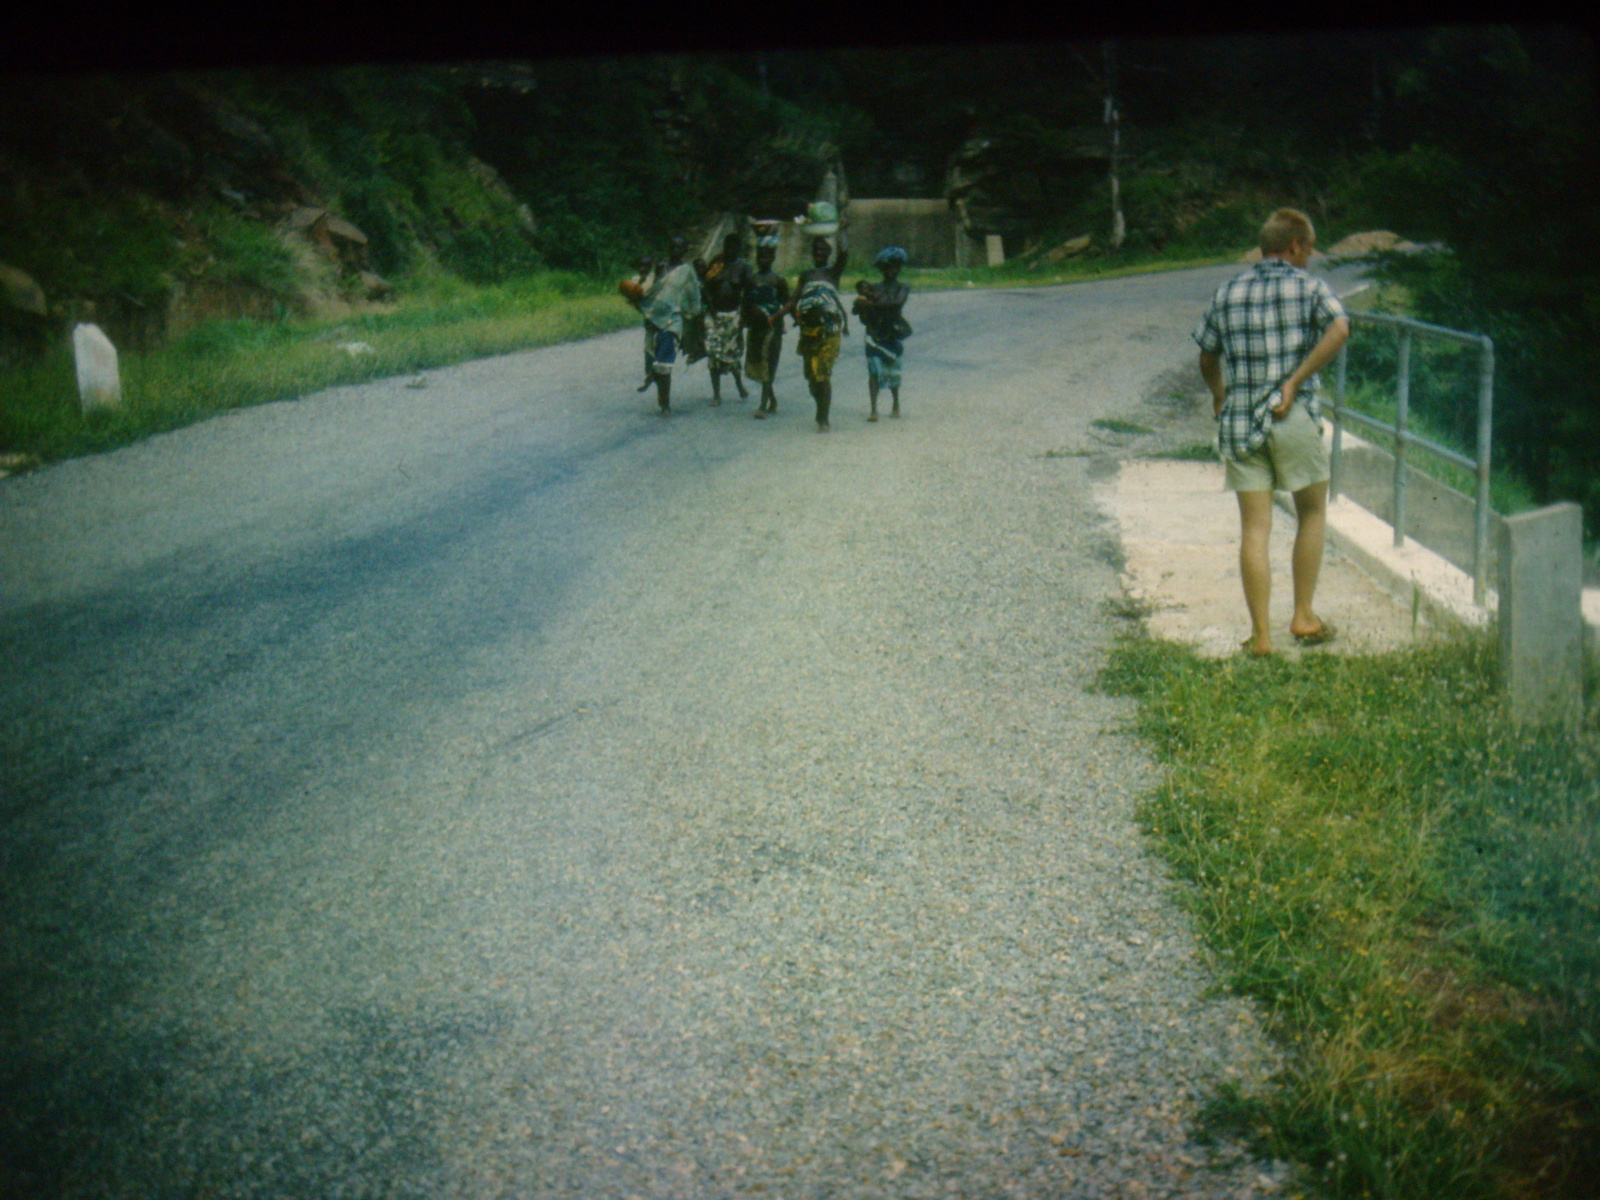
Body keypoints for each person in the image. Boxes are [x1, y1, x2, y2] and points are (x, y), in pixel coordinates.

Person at [1194, 207, 1351, 656]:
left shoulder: (1227, 292)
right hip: (1291, 413)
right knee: (1312, 513)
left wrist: (1220, 395)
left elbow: (1207, 357)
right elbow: (1340, 328)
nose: (1310, 258)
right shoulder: (1310, 287)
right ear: (1297, 246)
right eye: (1310, 250)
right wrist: (1295, 379)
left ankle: (1261, 637)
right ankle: (1303, 617)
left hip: (1242, 418)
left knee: (1255, 528)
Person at [782, 233, 849, 431]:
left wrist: (841, 231)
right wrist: (778, 315)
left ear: (829, 253)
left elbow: (844, 253)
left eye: (823, 250)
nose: (819, 253)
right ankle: (820, 406)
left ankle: (823, 417)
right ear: (812, 254)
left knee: (823, 375)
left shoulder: (833, 273)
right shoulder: (806, 275)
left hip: (828, 332)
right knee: (811, 379)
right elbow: (793, 300)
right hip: (808, 332)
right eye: (816, 250)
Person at [636, 235, 703, 417]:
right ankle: (658, 386)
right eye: (672, 246)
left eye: (679, 247)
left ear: (685, 250)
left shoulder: (687, 272)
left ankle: (665, 405)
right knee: (654, 362)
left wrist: (695, 323)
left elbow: (694, 299)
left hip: (672, 322)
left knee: (664, 363)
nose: (675, 249)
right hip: (654, 320)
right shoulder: (660, 267)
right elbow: (651, 289)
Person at [851, 246, 911, 421]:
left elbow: (897, 304)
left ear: (899, 268)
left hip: (891, 334)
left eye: (894, 266)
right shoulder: (874, 288)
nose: (890, 270)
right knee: (873, 371)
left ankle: (895, 403)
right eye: (886, 267)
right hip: (874, 333)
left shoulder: (902, 287)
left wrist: (870, 306)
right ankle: (874, 409)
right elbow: (859, 309)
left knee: (893, 370)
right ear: (881, 269)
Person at [696, 232, 753, 406]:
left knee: (732, 353)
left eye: (735, 246)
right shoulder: (716, 264)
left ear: (739, 248)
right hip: (714, 315)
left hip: (733, 315)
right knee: (713, 354)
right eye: (728, 246)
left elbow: (749, 293)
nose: (731, 250)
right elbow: (704, 286)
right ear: (725, 246)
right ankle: (716, 394)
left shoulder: (744, 268)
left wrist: (744, 317)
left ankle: (739, 384)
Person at [743, 234, 790, 419]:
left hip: (773, 328)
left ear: (772, 258)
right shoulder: (752, 280)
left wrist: (779, 315)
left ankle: (763, 404)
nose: (763, 259)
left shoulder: (778, 281)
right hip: (756, 328)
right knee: (757, 364)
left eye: (767, 256)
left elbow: (788, 303)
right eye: (760, 255)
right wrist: (742, 323)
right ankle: (772, 399)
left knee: (768, 364)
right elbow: (746, 303)